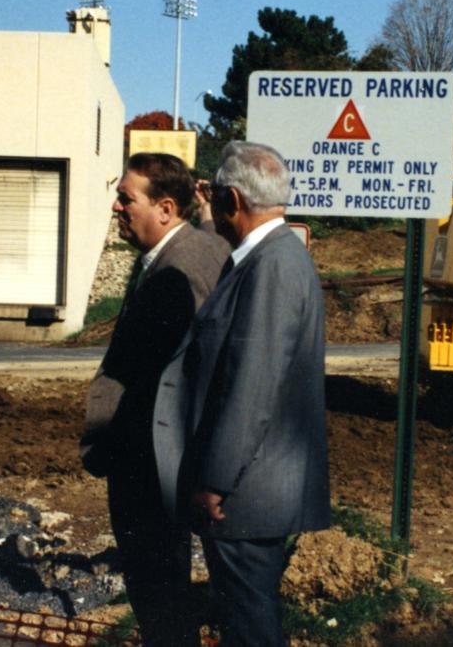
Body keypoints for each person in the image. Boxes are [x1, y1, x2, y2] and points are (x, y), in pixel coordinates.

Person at [153, 141, 330, 647]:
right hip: (257, 489)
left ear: (233, 199)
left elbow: (251, 384)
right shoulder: (270, 255)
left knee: (250, 626)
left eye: (217, 201)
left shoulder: (270, 266)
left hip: (246, 497)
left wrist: (214, 480)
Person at [81, 152, 230, 646]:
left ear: (165, 208)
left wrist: (117, 449)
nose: (117, 208)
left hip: (150, 465)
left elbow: (157, 379)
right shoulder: (200, 248)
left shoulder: (176, 272)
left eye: (127, 198)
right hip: (171, 462)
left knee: (158, 596)